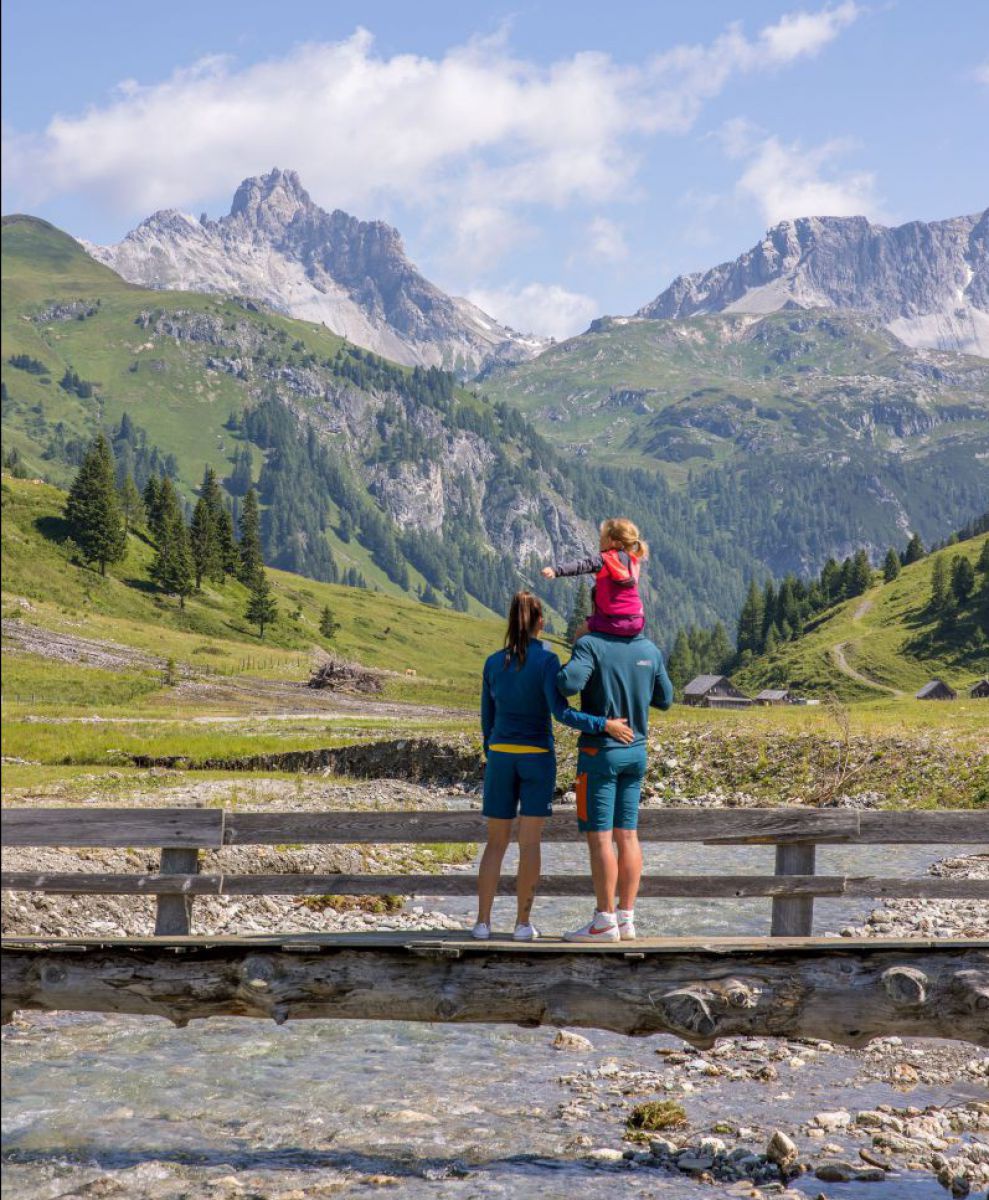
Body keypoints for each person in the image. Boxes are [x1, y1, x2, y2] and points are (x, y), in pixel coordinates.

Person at [476, 591, 634, 942]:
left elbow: (487, 720)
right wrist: (603, 724)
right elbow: (561, 713)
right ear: (541, 623)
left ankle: (482, 924)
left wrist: (495, 751)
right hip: (536, 757)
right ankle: (521, 924)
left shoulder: (491, 663)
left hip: (501, 755)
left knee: (495, 844)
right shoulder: (547, 661)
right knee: (529, 844)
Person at [557, 626, 673, 942]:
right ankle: (626, 918)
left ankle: (604, 920)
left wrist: (581, 642)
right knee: (628, 835)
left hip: (601, 752)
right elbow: (666, 699)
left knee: (600, 837)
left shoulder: (591, 644)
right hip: (636, 751)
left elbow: (567, 684)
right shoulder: (649, 648)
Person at [541, 518, 648, 639]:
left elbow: (581, 566)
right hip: (638, 621)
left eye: (603, 537)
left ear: (615, 543)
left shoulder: (605, 559)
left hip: (614, 620)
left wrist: (555, 571)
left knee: (580, 635)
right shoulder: (634, 562)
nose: (600, 539)